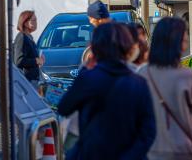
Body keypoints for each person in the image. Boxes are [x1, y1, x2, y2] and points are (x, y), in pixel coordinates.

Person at [58, 22, 155, 159]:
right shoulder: (139, 83)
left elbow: (63, 108)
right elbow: (149, 131)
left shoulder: (88, 78)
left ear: (95, 48)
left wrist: (85, 68)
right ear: (126, 47)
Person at [139, 17, 192, 160]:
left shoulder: (141, 74)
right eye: (185, 33)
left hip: (149, 150)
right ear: (180, 42)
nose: (187, 37)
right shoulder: (189, 77)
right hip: (183, 150)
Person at [13, 10, 44, 88]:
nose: (36, 22)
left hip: (33, 80)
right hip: (26, 82)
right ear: (25, 23)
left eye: (36, 20)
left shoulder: (29, 37)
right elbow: (19, 61)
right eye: (33, 20)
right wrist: (36, 60)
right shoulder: (22, 37)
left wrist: (39, 61)